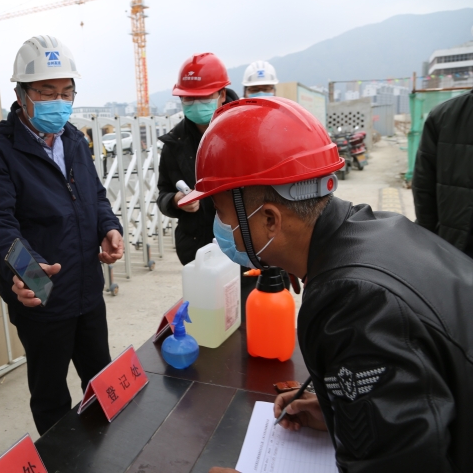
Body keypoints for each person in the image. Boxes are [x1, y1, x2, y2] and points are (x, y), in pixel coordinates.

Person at [180, 97, 473, 472]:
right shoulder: (375, 230)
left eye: (221, 214)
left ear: (270, 220)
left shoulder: (353, 303)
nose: (219, 229)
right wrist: (344, 411)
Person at [0, 35, 123, 435]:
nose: (58, 101)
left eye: (66, 92)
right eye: (45, 91)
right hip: (42, 294)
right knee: (51, 394)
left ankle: (109, 452)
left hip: (87, 288)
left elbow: (95, 195)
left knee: (102, 379)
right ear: (21, 95)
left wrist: (109, 227)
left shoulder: (74, 139)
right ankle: (63, 459)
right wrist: (27, 272)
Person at [156, 52, 239, 266]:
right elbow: (163, 193)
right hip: (198, 252)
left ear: (221, 94)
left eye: (203, 97)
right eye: (188, 98)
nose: (195, 103)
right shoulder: (174, 143)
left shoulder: (245, 130)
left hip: (245, 246)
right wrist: (175, 201)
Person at [412, 88, 473, 258]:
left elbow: (423, 187)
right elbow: (424, 186)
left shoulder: (444, 114)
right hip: (458, 246)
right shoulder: (442, 117)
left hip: (454, 248)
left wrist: (427, 242)